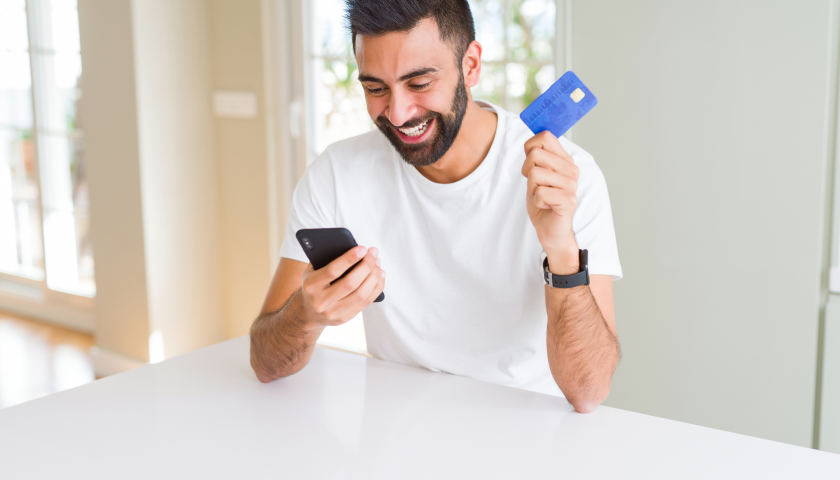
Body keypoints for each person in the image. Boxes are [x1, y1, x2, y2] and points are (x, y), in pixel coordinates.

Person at [250, 0, 622, 413]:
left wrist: (562, 250)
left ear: (471, 66)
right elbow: (264, 364)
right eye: (375, 88)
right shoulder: (335, 175)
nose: (398, 112)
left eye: (420, 83)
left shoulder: (568, 178)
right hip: (395, 436)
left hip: (528, 434)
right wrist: (306, 313)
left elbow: (589, 392)